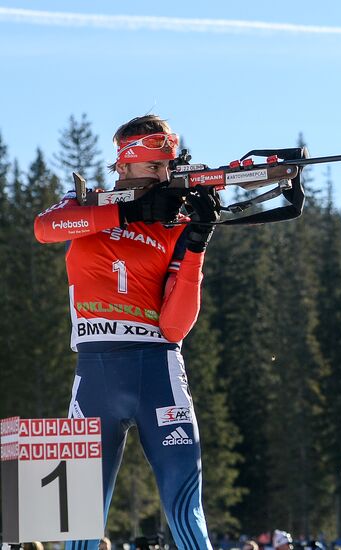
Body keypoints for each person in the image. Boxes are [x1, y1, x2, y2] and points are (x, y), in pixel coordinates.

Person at [34, 114, 221, 550]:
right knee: (72, 519)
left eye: (168, 166)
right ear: (125, 165)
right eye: (154, 166)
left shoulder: (172, 222)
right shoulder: (86, 202)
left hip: (158, 370)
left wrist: (196, 245)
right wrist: (127, 211)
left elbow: (175, 325)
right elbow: (44, 229)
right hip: (95, 373)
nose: (164, 175)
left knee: (187, 513)